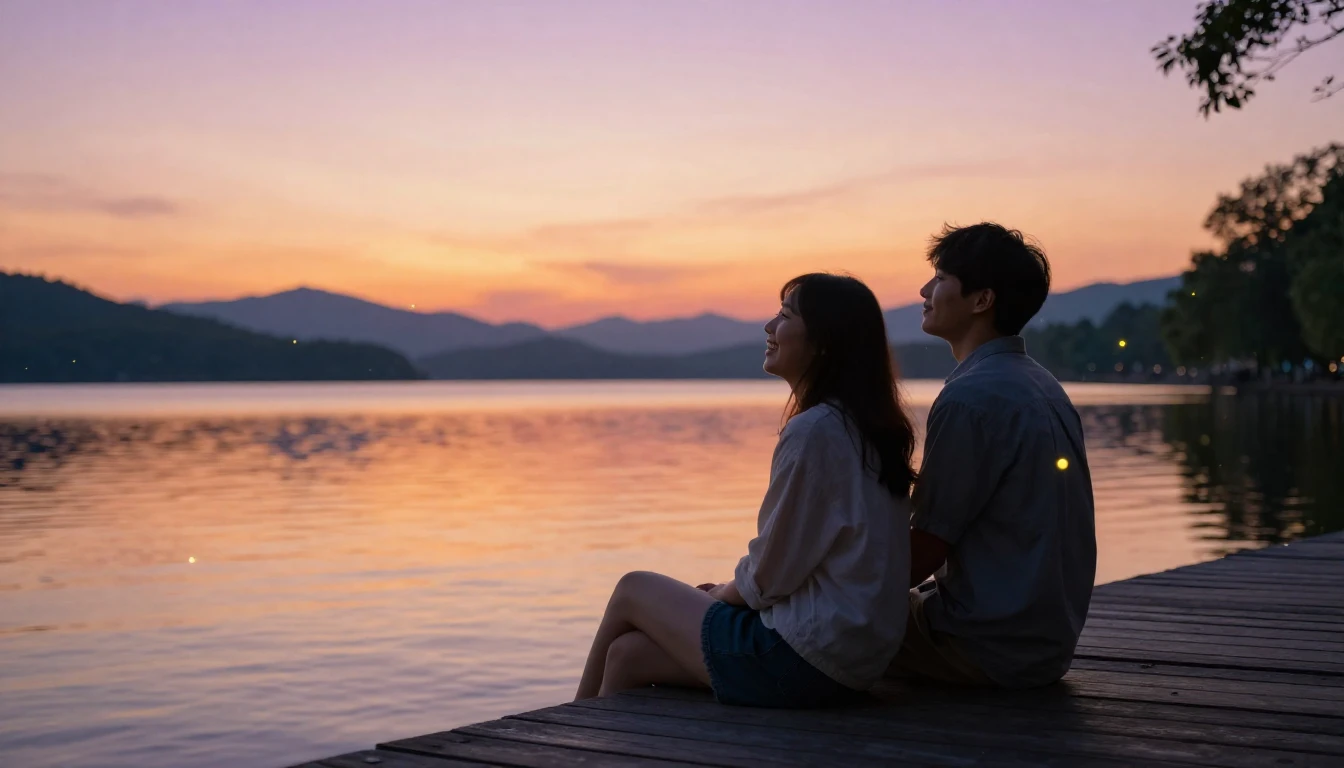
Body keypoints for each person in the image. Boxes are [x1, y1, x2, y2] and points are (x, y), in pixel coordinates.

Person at [574, 273, 918, 707]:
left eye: (785, 315)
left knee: (633, 588)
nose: (769, 327)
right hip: (854, 660)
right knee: (627, 656)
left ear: (824, 341)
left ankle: (561, 728)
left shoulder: (816, 432)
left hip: (807, 658)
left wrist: (718, 595)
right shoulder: (864, 429)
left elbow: (768, 576)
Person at [886, 222, 1097, 688]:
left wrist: (811, 589)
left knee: (807, 624)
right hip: (1042, 642)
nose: (924, 290)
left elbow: (926, 547)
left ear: (982, 300)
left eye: (940, 278)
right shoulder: (1042, 384)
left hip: (984, 646)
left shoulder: (972, 397)